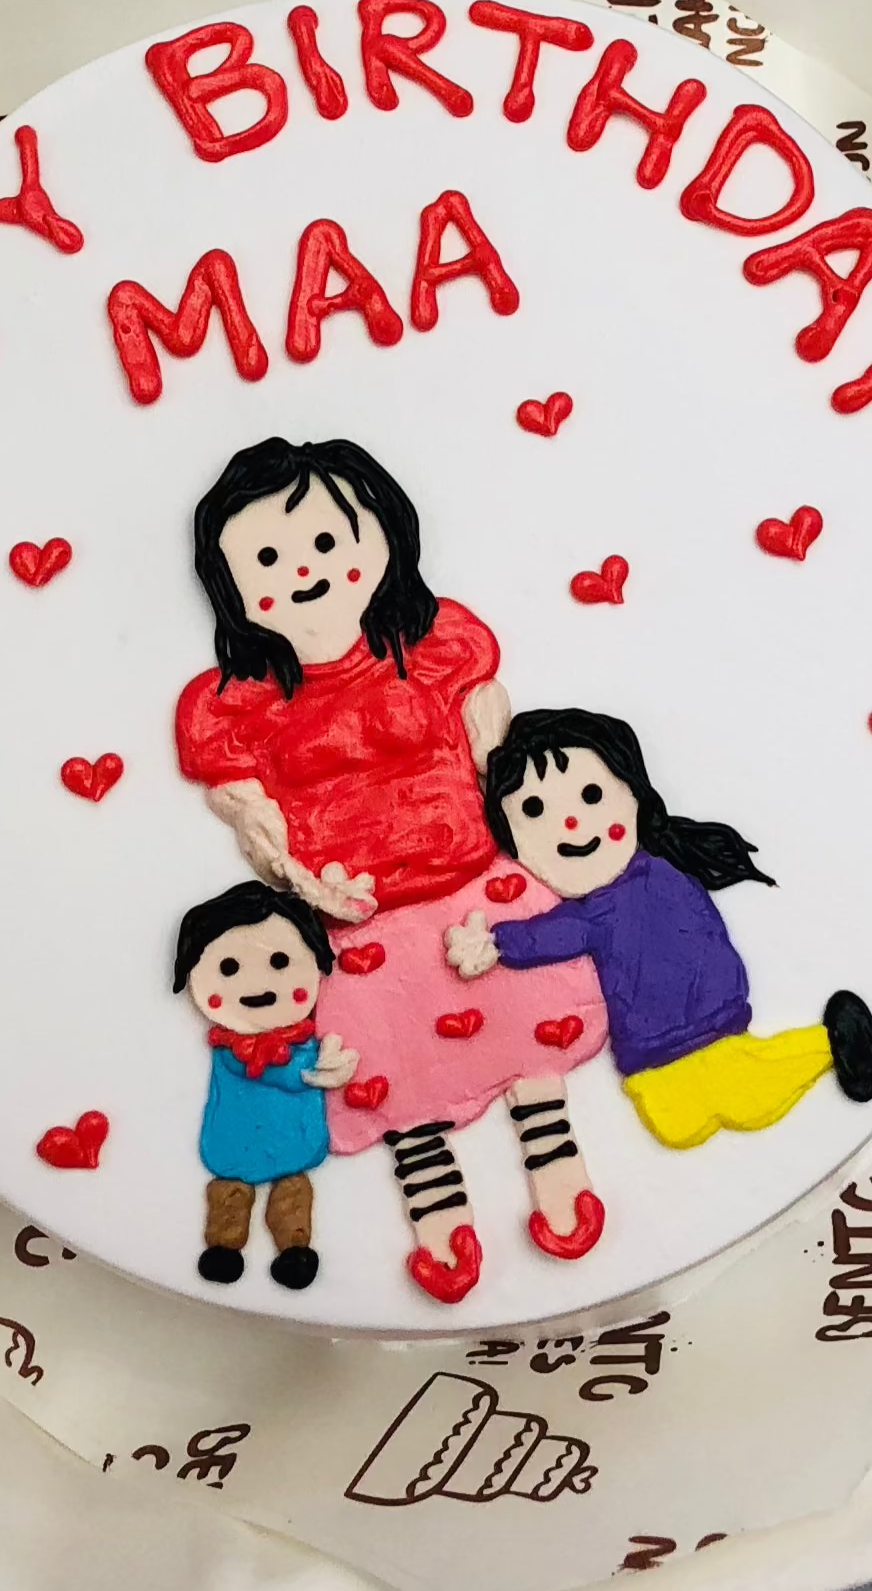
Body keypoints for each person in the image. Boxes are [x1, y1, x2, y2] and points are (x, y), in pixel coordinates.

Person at [175, 437, 610, 1301]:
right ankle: (440, 1226)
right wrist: (303, 882)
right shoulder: (234, 698)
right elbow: (253, 817)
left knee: (530, 1040)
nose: (304, 572)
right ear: (230, 584)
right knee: (400, 1084)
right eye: (267, 557)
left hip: (472, 883)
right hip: (358, 928)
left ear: (384, 539)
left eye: (328, 543)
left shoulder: (439, 641)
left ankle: (561, 1177)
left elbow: (495, 747)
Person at [446, 708, 872, 1148]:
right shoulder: (590, 911)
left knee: (749, 1087)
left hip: (712, 1018)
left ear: (632, 790)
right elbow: (555, 933)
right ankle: (828, 1045)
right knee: (679, 1121)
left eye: (592, 794)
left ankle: (835, 1042)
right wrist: (497, 941)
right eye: (535, 810)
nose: (572, 823)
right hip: (650, 1050)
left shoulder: (663, 869)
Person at [174, 879, 355, 1290]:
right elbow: (258, 1067)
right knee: (231, 1192)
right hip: (235, 1136)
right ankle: (224, 1247)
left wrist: (330, 1064)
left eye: (279, 961)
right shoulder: (231, 1045)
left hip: (293, 1134)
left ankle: (293, 1250)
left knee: (293, 1190)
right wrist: (308, 1073)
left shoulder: (306, 1042)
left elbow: (306, 1061)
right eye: (229, 968)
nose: (257, 983)